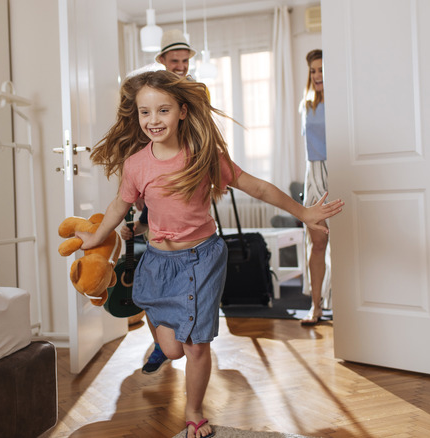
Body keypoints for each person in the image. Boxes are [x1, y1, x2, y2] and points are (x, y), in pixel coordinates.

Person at [78, 70, 343, 438]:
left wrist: (305, 213)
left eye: (163, 110)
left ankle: (193, 412)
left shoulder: (204, 156)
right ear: (135, 116)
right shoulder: (136, 164)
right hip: (157, 261)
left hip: (201, 258)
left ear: (183, 112)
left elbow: (258, 188)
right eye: (145, 112)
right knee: (172, 351)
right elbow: (118, 207)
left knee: (196, 345)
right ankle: (162, 336)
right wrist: (97, 237)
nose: (153, 120)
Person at [122, 28, 199, 375]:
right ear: (162, 62)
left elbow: (206, 130)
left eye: (185, 62)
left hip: (189, 172)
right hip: (156, 174)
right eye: (175, 61)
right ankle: (161, 341)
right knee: (153, 222)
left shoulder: (193, 95)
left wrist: (211, 171)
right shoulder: (151, 95)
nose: (181, 67)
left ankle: (185, 331)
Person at [298, 49, 332, 325]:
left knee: (348, 245)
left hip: (340, 169)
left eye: (322, 69)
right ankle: (316, 307)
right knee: (317, 243)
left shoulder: (343, 100)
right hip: (314, 174)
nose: (317, 75)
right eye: (313, 70)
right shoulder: (306, 104)